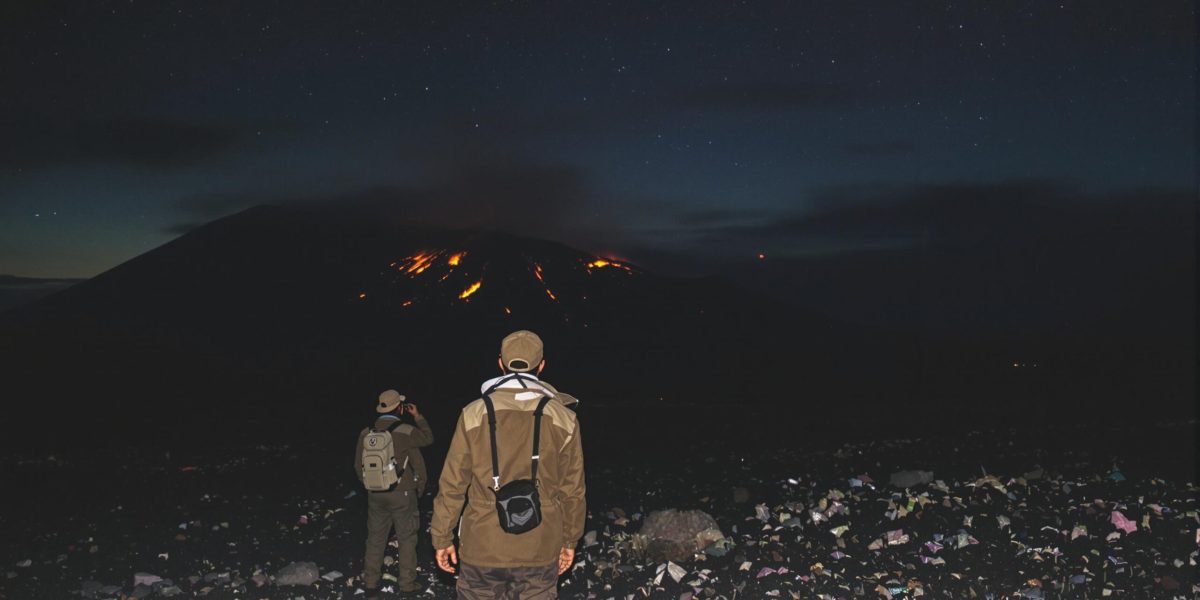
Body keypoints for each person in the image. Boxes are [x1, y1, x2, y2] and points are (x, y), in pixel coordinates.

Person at [431, 330, 585, 600]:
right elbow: (573, 490)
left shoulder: (473, 413)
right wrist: (570, 541)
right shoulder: (564, 418)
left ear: (500, 363)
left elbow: (453, 484)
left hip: (483, 544)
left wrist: (442, 538)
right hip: (540, 544)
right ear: (542, 365)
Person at [355, 389, 434, 598]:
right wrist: (418, 416)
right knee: (407, 538)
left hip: (375, 493)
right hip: (403, 494)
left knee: (375, 538)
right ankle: (407, 584)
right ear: (399, 408)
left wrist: (372, 485)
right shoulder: (406, 430)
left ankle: (371, 582)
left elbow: (357, 465)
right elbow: (428, 439)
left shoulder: (366, 432)